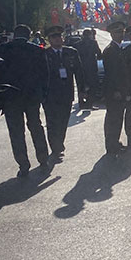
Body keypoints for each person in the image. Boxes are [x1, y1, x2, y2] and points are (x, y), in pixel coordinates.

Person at [0, 24, 50, 176]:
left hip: (10, 98)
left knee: (16, 132)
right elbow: (45, 75)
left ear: (14, 34)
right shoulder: (38, 50)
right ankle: (43, 159)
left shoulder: (2, 49)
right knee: (36, 127)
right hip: (32, 97)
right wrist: (43, 95)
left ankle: (23, 164)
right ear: (29, 35)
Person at [43, 25, 86, 162]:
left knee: (63, 121)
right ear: (50, 40)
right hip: (50, 95)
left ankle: (59, 143)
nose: (57, 39)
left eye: (59, 36)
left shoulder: (71, 52)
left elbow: (79, 72)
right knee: (52, 122)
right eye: (54, 37)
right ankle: (55, 148)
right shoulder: (45, 54)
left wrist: (82, 90)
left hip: (66, 94)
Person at [102, 21, 131, 155]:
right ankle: (111, 145)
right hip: (114, 92)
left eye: (122, 32)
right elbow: (111, 74)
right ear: (112, 34)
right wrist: (116, 91)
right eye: (117, 32)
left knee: (118, 118)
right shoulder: (110, 51)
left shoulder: (120, 49)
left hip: (122, 90)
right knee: (113, 119)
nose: (120, 34)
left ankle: (115, 142)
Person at [75, 28, 101, 109]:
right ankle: (89, 103)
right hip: (92, 68)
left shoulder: (77, 44)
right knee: (92, 86)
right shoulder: (93, 43)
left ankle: (81, 103)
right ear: (90, 35)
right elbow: (99, 54)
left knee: (80, 85)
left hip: (80, 68)